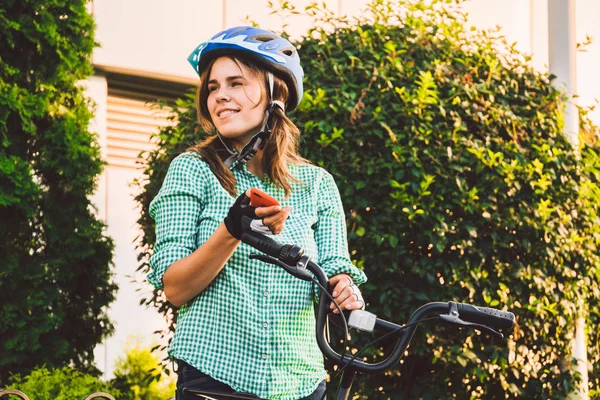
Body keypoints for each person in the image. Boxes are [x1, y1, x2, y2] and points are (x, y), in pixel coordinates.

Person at [147, 26, 367, 400]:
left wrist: (343, 291)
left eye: (236, 83)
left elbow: (334, 269)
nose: (221, 96)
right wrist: (233, 229)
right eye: (213, 87)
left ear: (275, 94)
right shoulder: (192, 170)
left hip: (301, 383)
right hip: (215, 379)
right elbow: (175, 287)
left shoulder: (316, 184)